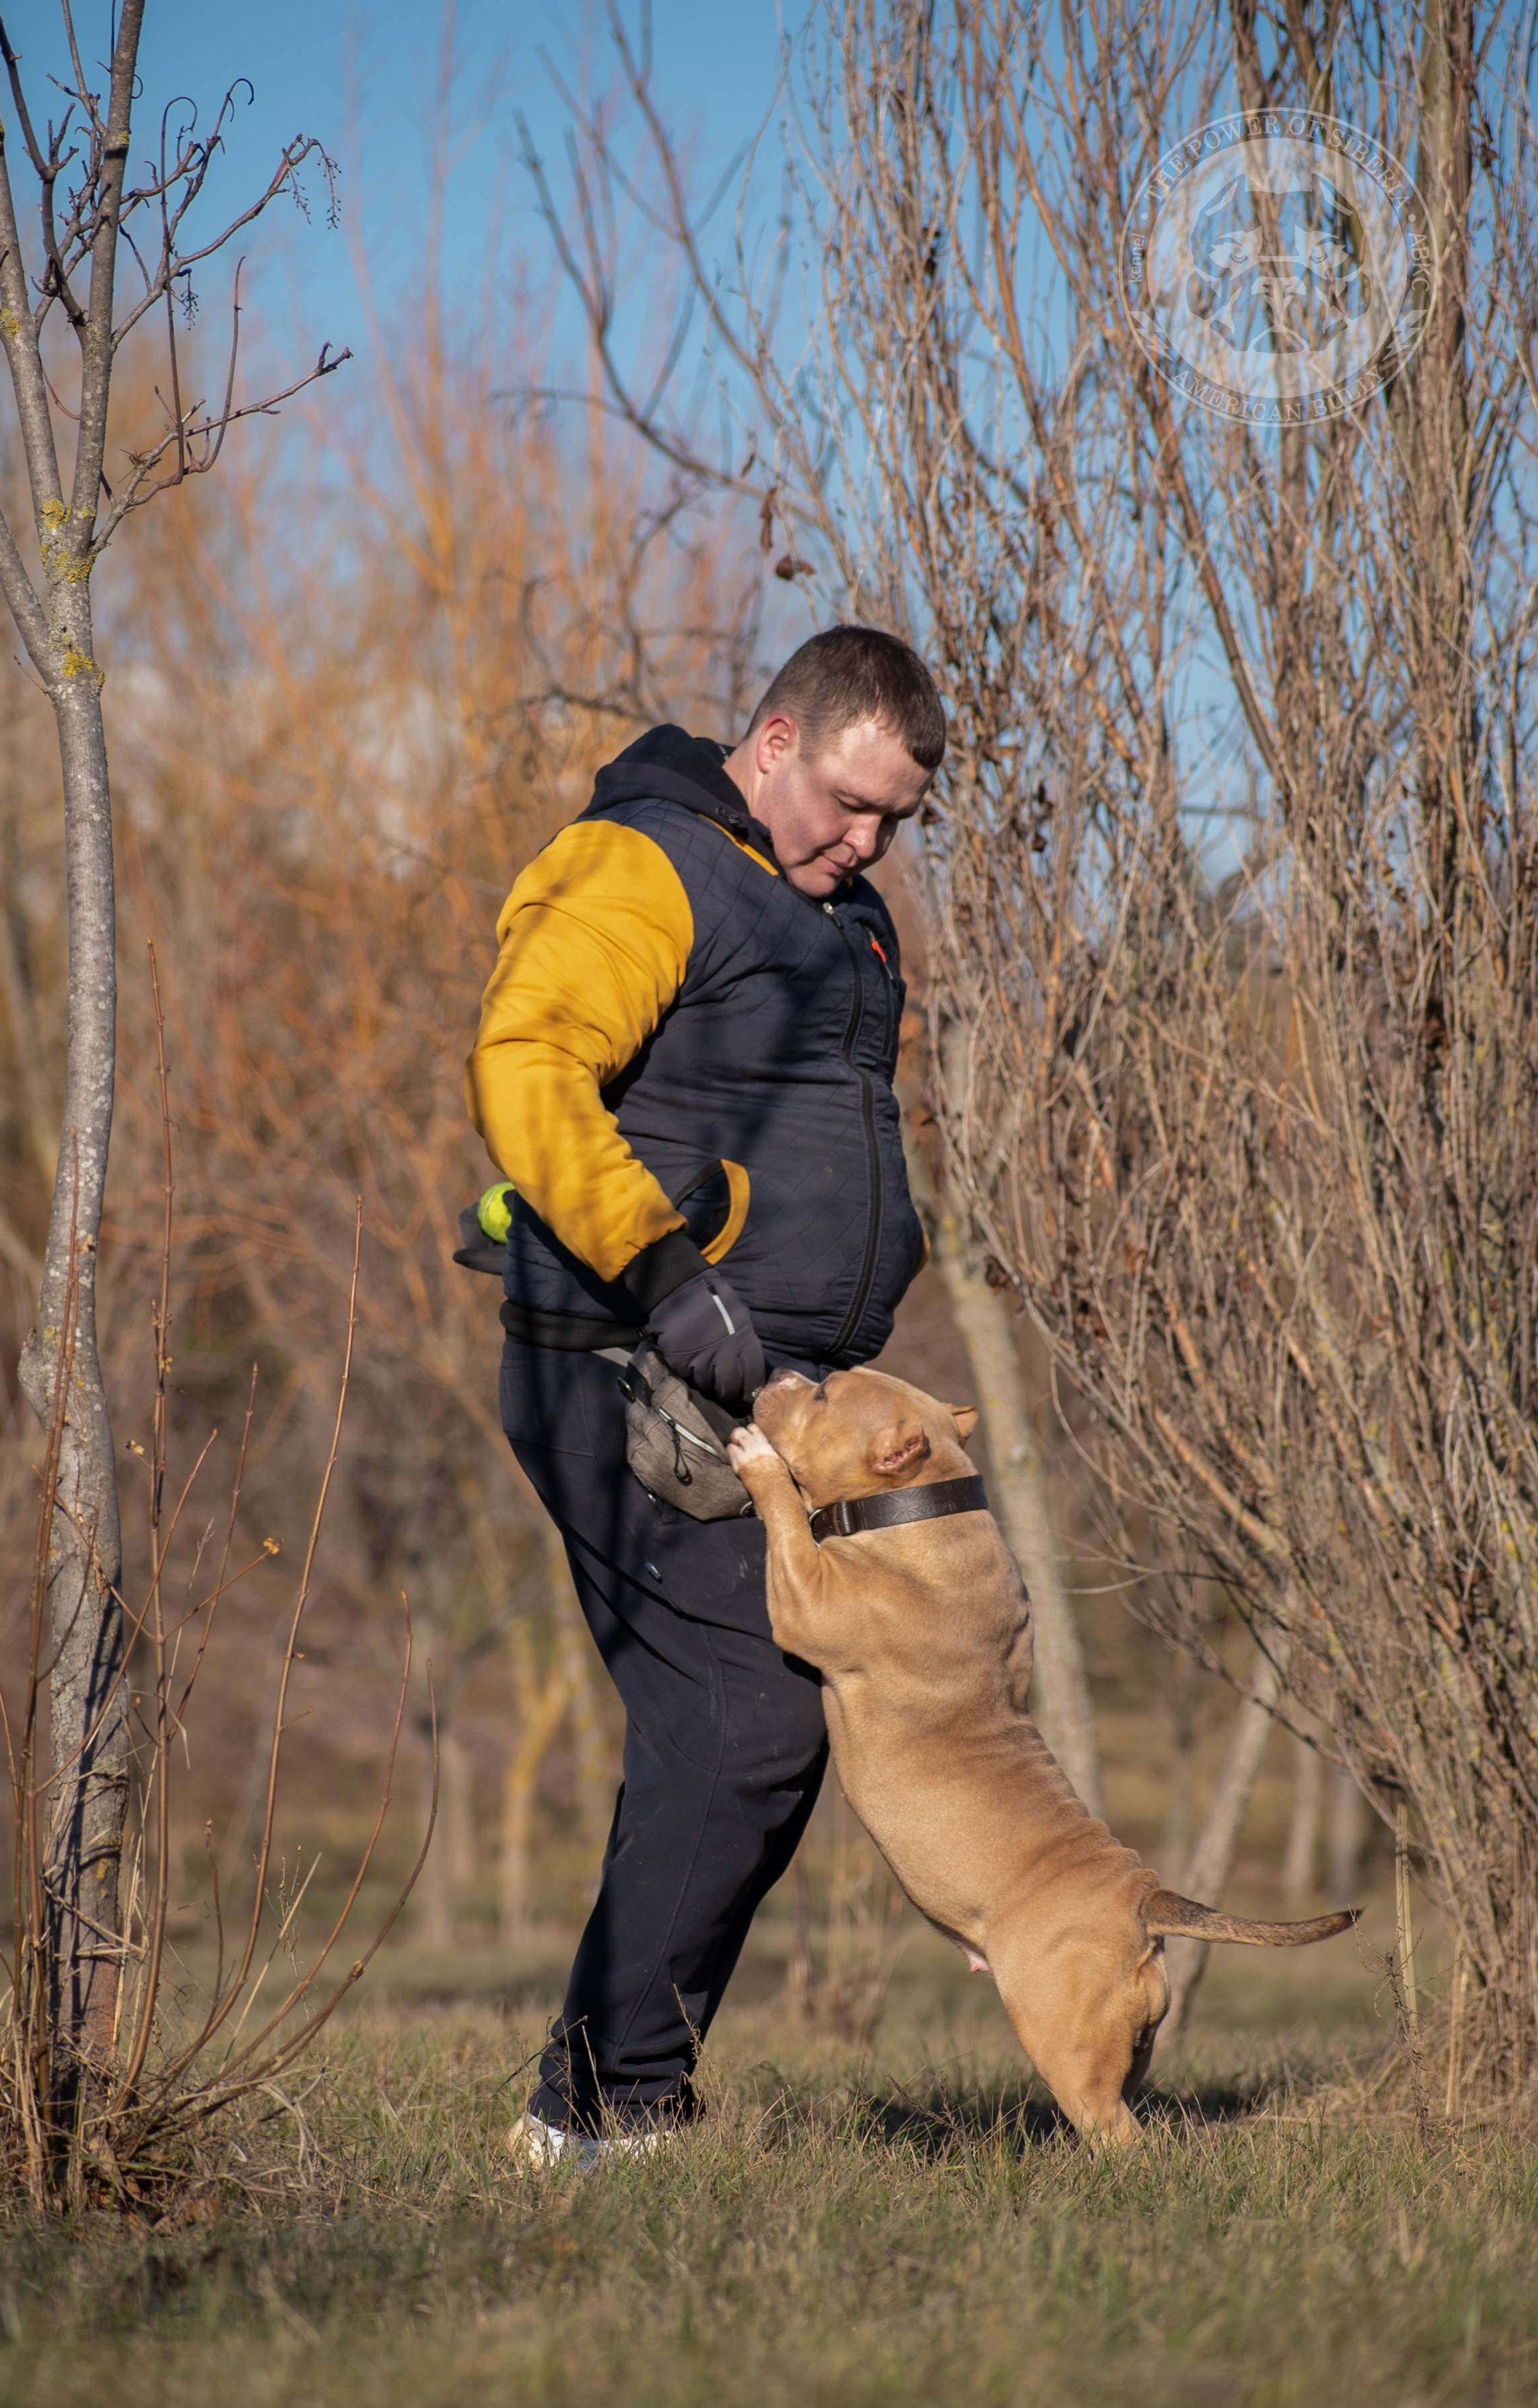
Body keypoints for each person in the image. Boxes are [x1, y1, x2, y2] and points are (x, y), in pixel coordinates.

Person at [465, 624, 944, 2161]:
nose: (865, 842)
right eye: (849, 804)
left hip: (763, 1385)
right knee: (743, 1715)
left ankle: (609, 2101)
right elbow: (529, 1061)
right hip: (624, 1358)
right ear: (774, 739)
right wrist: (671, 1271)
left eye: (896, 823)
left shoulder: (842, 917)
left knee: (741, 1727)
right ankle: (601, 2116)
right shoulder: (648, 863)